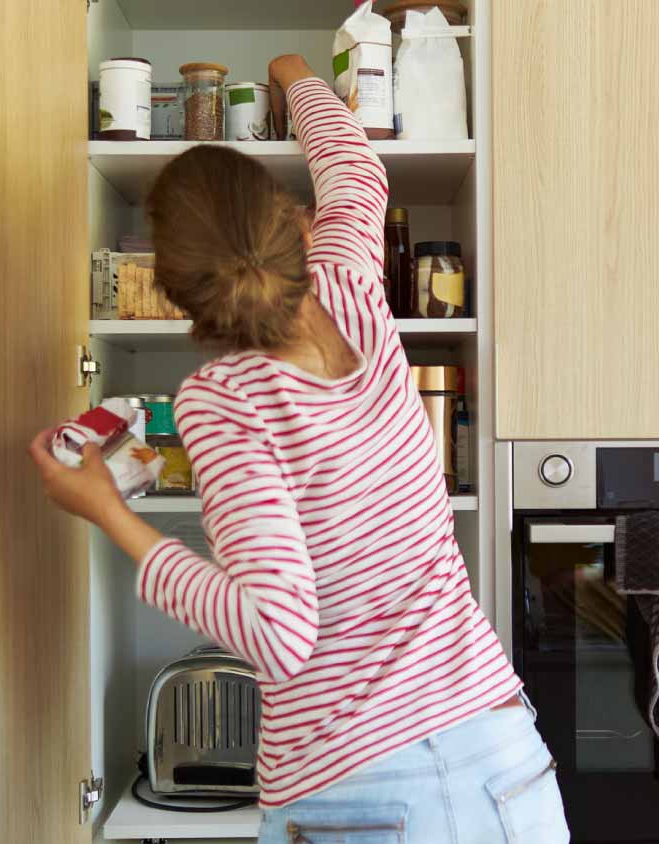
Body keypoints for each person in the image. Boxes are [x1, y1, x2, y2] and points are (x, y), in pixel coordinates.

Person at [28, 54, 568, 843]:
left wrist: (111, 515)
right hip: (501, 762)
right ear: (290, 222)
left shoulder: (223, 400)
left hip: (361, 791)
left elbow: (279, 634)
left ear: (179, 296)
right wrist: (293, 72)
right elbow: (354, 167)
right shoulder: (354, 288)